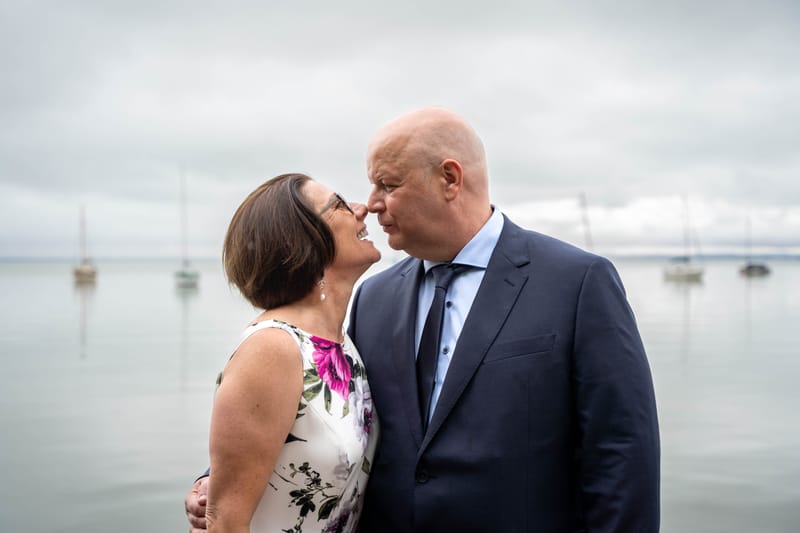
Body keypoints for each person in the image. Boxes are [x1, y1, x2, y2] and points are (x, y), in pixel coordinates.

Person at [186, 108, 660, 532]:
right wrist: (219, 481)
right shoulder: (374, 297)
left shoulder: (577, 282)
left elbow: (622, 453)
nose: (372, 203)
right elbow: (315, 417)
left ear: (450, 179)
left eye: (388, 185)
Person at [199, 173, 381, 533]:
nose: (362, 209)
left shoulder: (342, 345)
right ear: (305, 240)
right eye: (339, 204)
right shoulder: (273, 349)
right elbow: (225, 521)